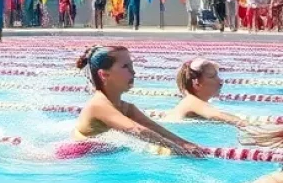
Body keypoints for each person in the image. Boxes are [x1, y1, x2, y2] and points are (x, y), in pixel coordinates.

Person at [72, 45, 203, 156]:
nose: (133, 72)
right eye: (125, 67)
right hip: (74, 159)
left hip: (95, 155)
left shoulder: (125, 107)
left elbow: (152, 127)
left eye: (132, 65)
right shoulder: (99, 105)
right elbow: (136, 130)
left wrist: (184, 143)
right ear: (104, 74)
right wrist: (178, 149)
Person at [163, 58, 247, 126]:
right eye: (212, 76)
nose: (220, 81)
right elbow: (221, 116)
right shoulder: (192, 102)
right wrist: (249, 126)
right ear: (197, 84)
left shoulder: (189, 102)